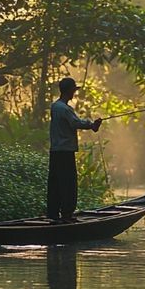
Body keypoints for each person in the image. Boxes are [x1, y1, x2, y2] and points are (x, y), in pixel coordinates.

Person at [47, 77, 102, 221]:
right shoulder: (64, 108)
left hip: (55, 151)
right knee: (68, 183)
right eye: (73, 90)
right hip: (65, 151)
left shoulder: (55, 106)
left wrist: (91, 125)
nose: (74, 93)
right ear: (69, 91)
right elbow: (75, 123)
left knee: (55, 183)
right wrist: (92, 125)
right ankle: (67, 215)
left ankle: (52, 214)